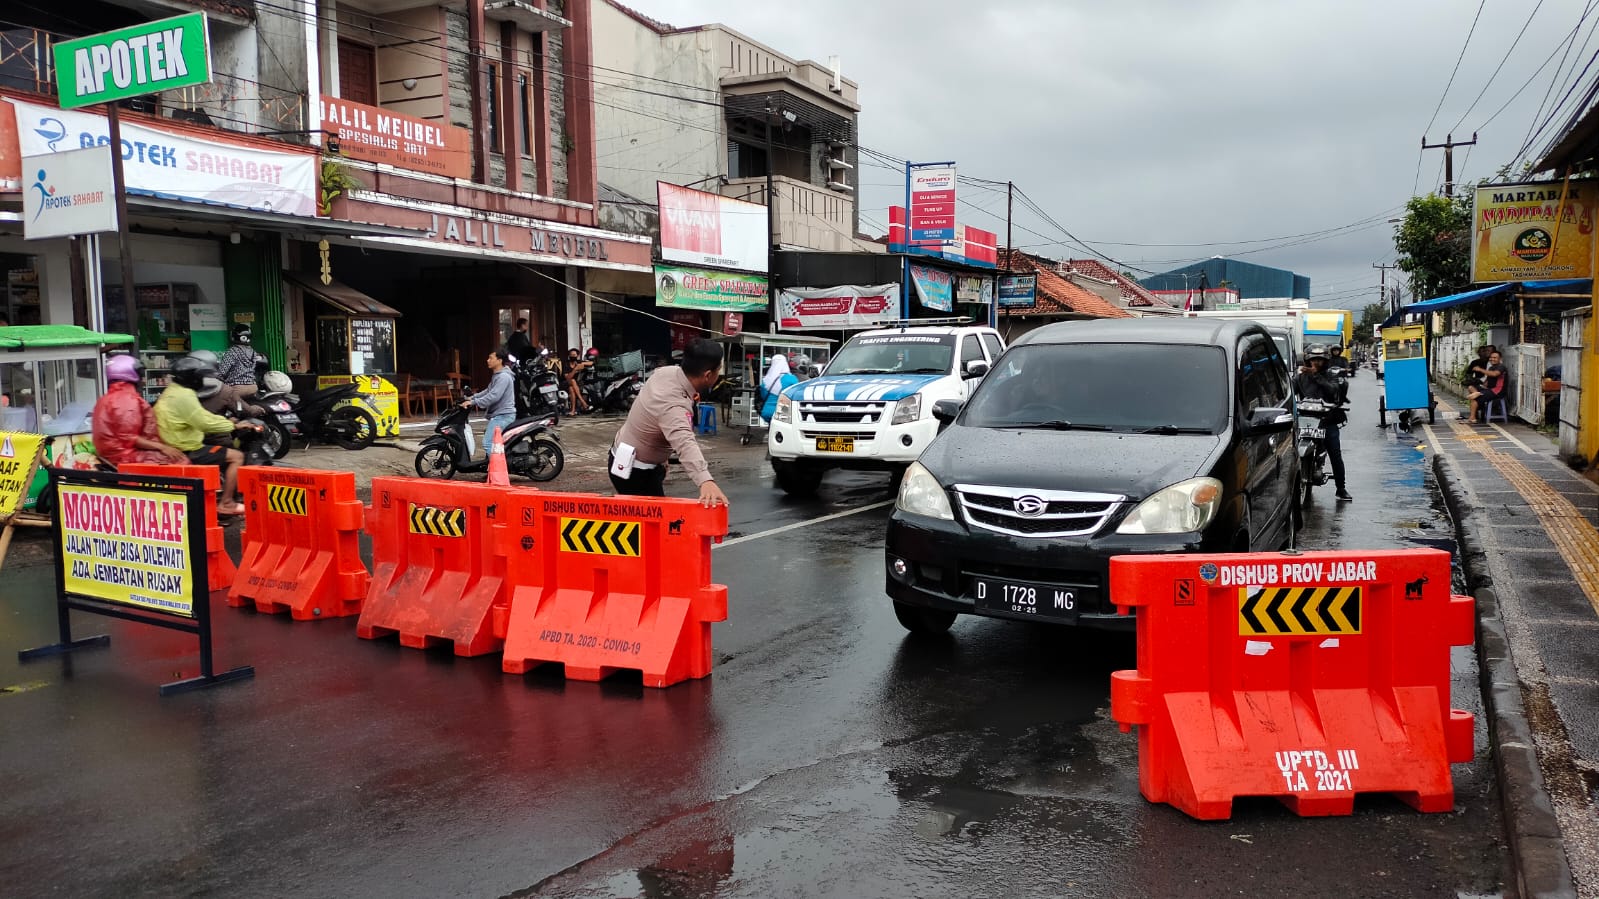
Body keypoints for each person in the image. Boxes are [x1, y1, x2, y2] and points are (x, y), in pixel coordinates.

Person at [609, 338, 729, 507]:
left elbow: (652, 415)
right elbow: (685, 443)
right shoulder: (673, 404)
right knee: (652, 523)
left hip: (628, 453)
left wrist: (662, 459)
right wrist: (705, 480)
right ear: (708, 375)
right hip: (634, 469)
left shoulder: (667, 372)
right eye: (719, 370)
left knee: (648, 520)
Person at [155, 354, 250, 515]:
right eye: (201, 377)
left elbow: (201, 415)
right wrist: (234, 425)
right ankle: (226, 502)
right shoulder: (185, 396)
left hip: (175, 443)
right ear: (193, 378)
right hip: (188, 448)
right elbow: (203, 422)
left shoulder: (172, 391)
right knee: (237, 456)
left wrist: (228, 422)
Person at [92, 353, 187, 467]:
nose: (142, 379)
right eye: (140, 374)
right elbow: (128, 437)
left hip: (113, 454)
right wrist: (163, 447)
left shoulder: (106, 398)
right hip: (124, 456)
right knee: (180, 460)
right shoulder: (126, 399)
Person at [1294, 345, 1351, 502]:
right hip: (1306, 421)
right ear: (1307, 360)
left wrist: (1317, 376)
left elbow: (1333, 390)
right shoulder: (1300, 377)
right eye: (1313, 360)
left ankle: (1341, 488)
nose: (1316, 363)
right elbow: (1290, 393)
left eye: (1320, 360)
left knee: (1335, 454)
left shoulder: (1331, 374)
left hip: (1327, 421)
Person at [462, 347, 517, 458]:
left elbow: (493, 396)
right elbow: (488, 391)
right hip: (501, 415)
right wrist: (472, 398)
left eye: (491, 358)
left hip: (503, 416)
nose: (488, 360)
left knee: (488, 443)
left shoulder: (503, 377)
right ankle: (491, 468)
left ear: (499, 360)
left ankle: (497, 469)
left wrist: (473, 402)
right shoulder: (498, 375)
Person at [217, 324, 260, 401]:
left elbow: (221, 372)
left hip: (236, 389)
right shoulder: (253, 351)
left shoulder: (232, 351)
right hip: (253, 387)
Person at [1469, 349, 1509, 423]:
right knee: (1471, 387)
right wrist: (1482, 386)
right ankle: (1477, 394)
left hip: (1497, 391)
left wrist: (1480, 369)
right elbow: (1487, 381)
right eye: (1491, 357)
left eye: (1495, 357)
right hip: (1489, 389)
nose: (1492, 359)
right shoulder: (1491, 368)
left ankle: (1472, 418)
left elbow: (1494, 374)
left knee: (1474, 399)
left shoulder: (1501, 367)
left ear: (1500, 359)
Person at [759, 353, 797, 422]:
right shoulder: (792, 379)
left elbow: (763, 396)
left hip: (767, 412)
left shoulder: (766, 380)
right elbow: (795, 396)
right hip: (783, 413)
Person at [564, 347, 593, 415]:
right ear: (569, 356)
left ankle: (573, 410)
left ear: (577, 355)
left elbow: (591, 363)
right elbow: (568, 378)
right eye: (571, 355)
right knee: (572, 381)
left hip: (575, 385)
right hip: (566, 383)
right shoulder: (566, 364)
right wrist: (575, 369)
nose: (573, 356)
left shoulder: (578, 362)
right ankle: (583, 402)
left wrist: (582, 364)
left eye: (574, 355)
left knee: (571, 389)